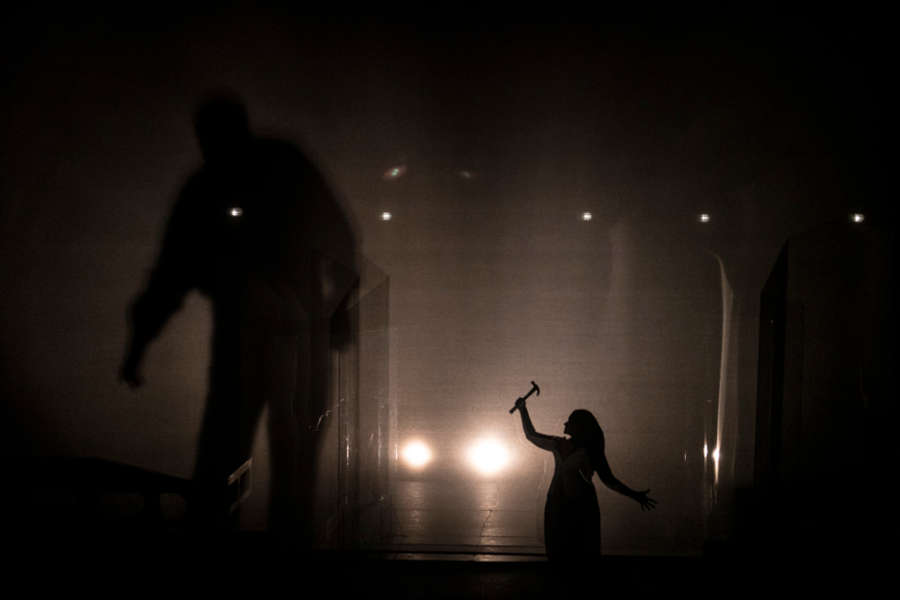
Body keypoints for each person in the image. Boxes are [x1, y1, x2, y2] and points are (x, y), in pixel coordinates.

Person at [119, 92, 358, 536]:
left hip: (249, 340)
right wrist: (339, 313)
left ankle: (219, 551)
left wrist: (138, 347)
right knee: (290, 461)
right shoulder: (284, 166)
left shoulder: (205, 187)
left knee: (225, 456)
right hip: (297, 335)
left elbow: (169, 276)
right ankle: (285, 554)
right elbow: (341, 239)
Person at [513, 396, 656, 564]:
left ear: (579, 427)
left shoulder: (588, 451)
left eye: (570, 421)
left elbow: (609, 480)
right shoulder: (559, 445)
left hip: (580, 507)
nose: (565, 424)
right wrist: (523, 409)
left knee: (579, 553)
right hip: (557, 504)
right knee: (559, 551)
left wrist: (634, 495)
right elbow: (531, 435)